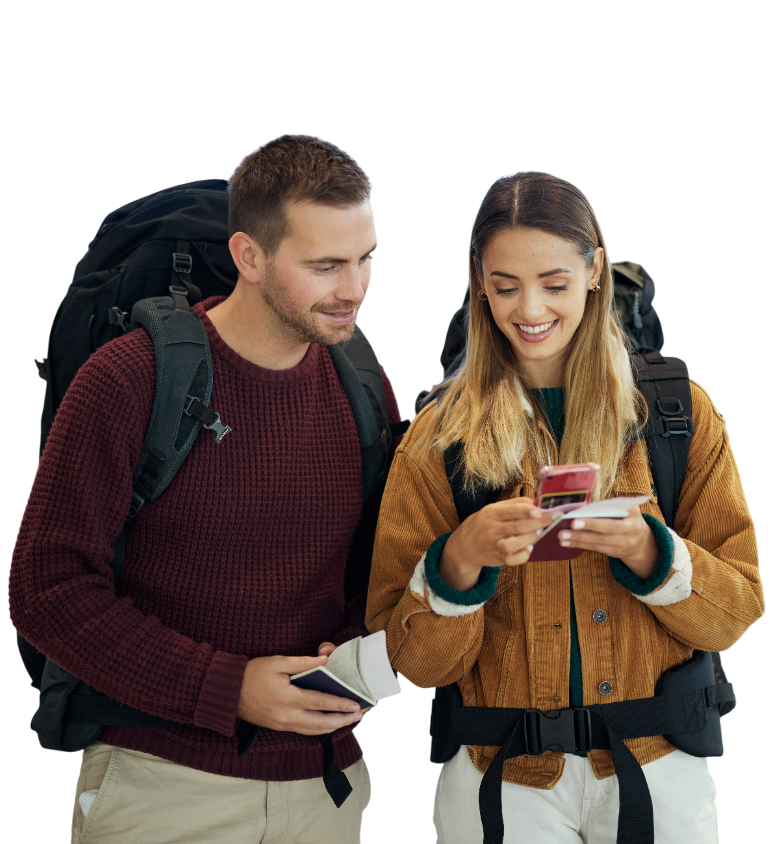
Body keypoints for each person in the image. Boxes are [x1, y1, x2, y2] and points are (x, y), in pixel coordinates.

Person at [9, 134, 403, 844]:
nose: (355, 289)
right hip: (161, 791)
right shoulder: (127, 379)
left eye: (365, 258)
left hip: (328, 791)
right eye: (325, 265)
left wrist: (348, 655)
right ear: (250, 257)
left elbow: (374, 568)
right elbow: (46, 587)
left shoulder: (365, 385)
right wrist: (228, 688)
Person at [365, 171, 761, 843]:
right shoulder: (437, 436)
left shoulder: (677, 413)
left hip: (658, 768)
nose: (529, 309)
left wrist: (651, 553)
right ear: (478, 281)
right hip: (498, 775)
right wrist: (456, 566)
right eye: (505, 285)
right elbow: (413, 663)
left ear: (595, 269)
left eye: (554, 282)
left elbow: (739, 610)